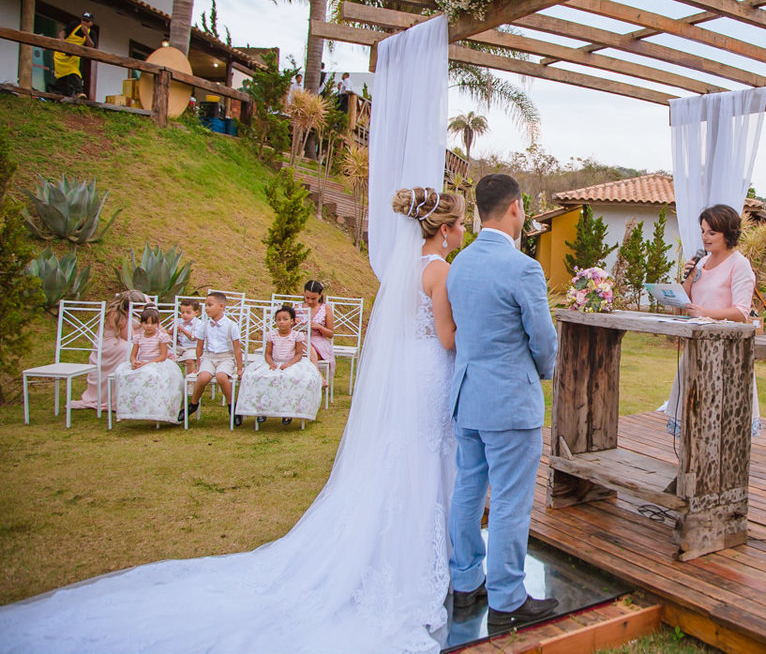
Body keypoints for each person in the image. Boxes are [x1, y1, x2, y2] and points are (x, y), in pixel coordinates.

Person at [0, 181, 472, 653]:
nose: (462, 230)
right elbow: (447, 338)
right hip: (429, 372)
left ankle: (394, 553)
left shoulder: (403, 269)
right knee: (428, 451)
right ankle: (427, 560)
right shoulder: (440, 272)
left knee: (402, 453)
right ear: (445, 229)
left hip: (408, 374)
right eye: (460, 224)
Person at [446, 173, 559, 632]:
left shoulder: (459, 262)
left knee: (468, 490)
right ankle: (508, 595)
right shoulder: (522, 267)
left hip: (468, 395)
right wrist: (543, 371)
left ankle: (465, 581)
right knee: (511, 500)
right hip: (510, 400)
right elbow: (544, 339)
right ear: (515, 207)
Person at [659, 204, 762, 437]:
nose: (705, 237)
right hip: (697, 345)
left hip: (725, 351)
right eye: (703, 231)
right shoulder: (701, 263)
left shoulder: (740, 264)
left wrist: (705, 312)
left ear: (729, 234)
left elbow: (741, 312)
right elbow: (687, 303)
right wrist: (689, 278)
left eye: (712, 233)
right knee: (693, 412)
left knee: (718, 416)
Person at [237, 304, 322, 426]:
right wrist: (271, 363)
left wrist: (289, 364)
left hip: (291, 362)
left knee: (294, 379)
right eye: (279, 319)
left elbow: (299, 354)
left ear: (292, 321)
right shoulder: (272, 335)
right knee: (256, 377)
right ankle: (261, 410)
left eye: (285, 319)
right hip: (274, 361)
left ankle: (288, 412)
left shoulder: (296, 335)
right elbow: (267, 353)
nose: (282, 322)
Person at [70, 290, 147, 411]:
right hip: (109, 346)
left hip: (120, 342)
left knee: (140, 348)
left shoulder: (128, 314)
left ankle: (134, 392)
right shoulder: (115, 314)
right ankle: (116, 396)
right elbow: (128, 336)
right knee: (130, 348)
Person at [179, 292, 243, 426]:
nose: (206, 308)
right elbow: (199, 347)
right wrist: (199, 363)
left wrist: (239, 368)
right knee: (203, 378)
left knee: (221, 377)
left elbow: (237, 349)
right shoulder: (204, 325)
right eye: (205, 305)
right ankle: (193, 404)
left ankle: (233, 406)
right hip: (208, 357)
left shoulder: (231, 325)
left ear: (221, 306)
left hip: (225, 357)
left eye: (209, 305)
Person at [112, 307, 184, 424]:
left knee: (151, 375)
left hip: (156, 362)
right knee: (123, 374)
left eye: (153, 323)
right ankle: (127, 409)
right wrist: (134, 361)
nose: (149, 326)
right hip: (142, 362)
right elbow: (133, 355)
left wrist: (148, 363)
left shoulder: (161, 337)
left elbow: (163, 356)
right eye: (146, 323)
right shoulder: (138, 337)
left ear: (157, 324)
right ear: (142, 324)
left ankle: (155, 409)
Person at [297, 280, 335, 391]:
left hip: (318, 342)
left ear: (320, 295)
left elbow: (331, 334)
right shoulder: (297, 307)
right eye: (307, 297)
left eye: (313, 298)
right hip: (299, 342)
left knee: (303, 341)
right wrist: (294, 322)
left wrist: (319, 327)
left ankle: (315, 379)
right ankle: (318, 375)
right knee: (301, 338)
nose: (309, 301)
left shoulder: (326, 308)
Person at [50, 12, 94, 99]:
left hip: (73, 57)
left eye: (87, 21)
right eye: (83, 20)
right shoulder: (74, 25)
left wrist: (86, 34)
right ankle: (59, 92)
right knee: (63, 76)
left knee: (74, 72)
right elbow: (62, 33)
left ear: (91, 23)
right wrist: (62, 40)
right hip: (62, 55)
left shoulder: (91, 33)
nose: (84, 22)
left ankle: (79, 92)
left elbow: (91, 46)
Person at [175, 298, 201, 376]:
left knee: (189, 360)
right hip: (179, 347)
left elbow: (194, 338)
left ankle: (190, 382)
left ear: (196, 312)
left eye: (188, 312)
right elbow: (169, 333)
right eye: (182, 312)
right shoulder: (179, 321)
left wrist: (183, 330)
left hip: (193, 348)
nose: (185, 315)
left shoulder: (199, 324)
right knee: (166, 357)